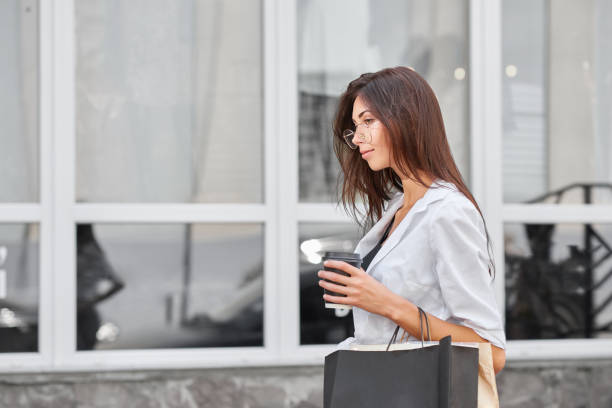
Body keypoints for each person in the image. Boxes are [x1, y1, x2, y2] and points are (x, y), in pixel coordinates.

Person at [317, 66, 506, 374]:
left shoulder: (448, 212)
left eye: (369, 120)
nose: (358, 137)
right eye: (355, 126)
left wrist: (387, 304)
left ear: (405, 119)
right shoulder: (396, 210)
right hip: (377, 385)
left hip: (416, 391)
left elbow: (492, 352)